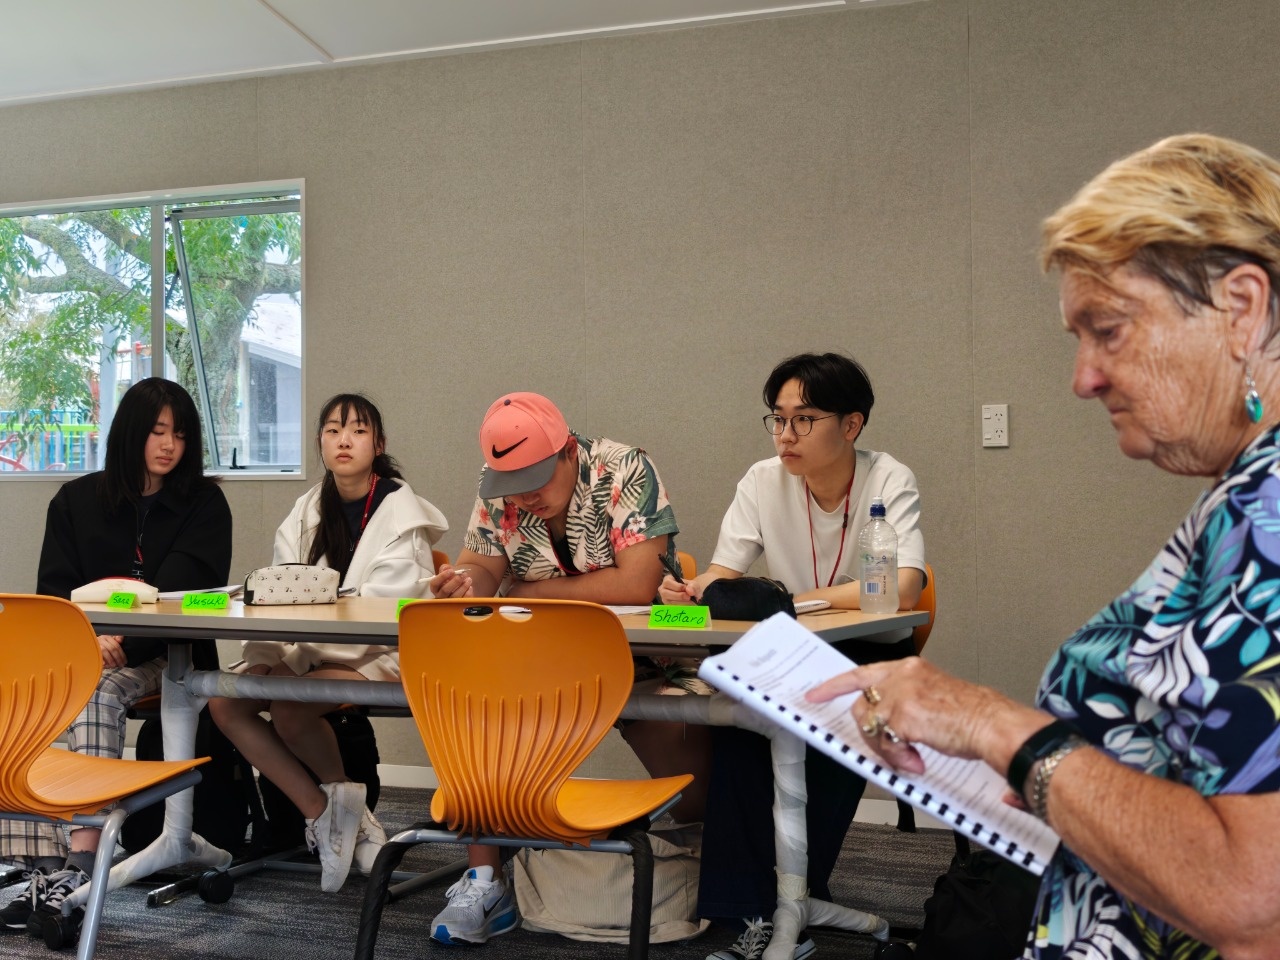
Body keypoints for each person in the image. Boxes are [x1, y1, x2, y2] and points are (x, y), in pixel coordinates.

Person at [808, 133, 1280, 960]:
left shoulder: (1267, 512)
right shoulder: (1248, 494)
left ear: (1241, 308)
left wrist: (992, 726)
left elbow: (1251, 897)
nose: (1083, 378)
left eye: (1109, 330)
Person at [657, 352, 926, 960]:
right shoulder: (761, 479)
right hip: (788, 643)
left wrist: (790, 601)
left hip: (869, 650)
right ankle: (758, 912)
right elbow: (724, 578)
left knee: (823, 723)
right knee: (740, 720)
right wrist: (688, 595)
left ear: (851, 425)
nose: (785, 435)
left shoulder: (888, 478)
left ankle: (793, 901)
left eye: (803, 419)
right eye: (777, 419)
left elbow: (903, 588)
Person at [426, 390, 693, 946]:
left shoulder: (624, 468)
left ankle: (718, 879)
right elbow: (482, 566)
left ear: (569, 451)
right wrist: (464, 583)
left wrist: (530, 592)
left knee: (700, 802)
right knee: (474, 696)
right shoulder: (500, 487)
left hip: (641, 660)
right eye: (512, 485)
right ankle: (484, 882)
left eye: (537, 479)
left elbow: (637, 582)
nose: (525, 496)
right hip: (540, 659)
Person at [0, 377, 232, 936]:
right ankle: (35, 863)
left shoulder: (203, 502)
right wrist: (86, 640)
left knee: (96, 691)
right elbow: (54, 593)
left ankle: (81, 861)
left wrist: (121, 643)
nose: (169, 445)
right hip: (82, 650)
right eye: (157, 431)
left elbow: (184, 594)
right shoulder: (76, 500)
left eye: (180, 434)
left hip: (167, 654)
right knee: (19, 692)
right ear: (130, 433)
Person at [209, 394, 447, 893]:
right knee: (224, 702)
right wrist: (268, 658)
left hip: (382, 653)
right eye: (333, 430)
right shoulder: (306, 509)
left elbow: (385, 609)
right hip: (312, 651)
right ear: (320, 441)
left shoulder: (400, 511)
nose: (344, 440)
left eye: (358, 431)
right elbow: (278, 591)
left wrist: (299, 652)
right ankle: (328, 814)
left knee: (291, 706)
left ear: (378, 444)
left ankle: (342, 816)